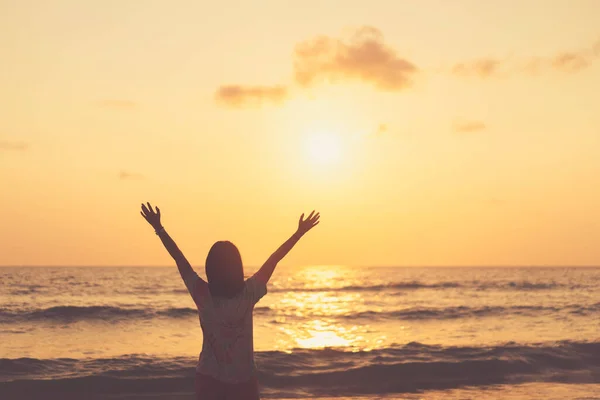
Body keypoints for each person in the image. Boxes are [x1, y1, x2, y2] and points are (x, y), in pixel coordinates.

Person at [140, 202, 320, 400]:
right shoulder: (248, 293)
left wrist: (159, 228)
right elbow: (274, 259)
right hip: (244, 380)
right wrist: (298, 234)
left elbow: (179, 258)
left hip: (209, 379)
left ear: (210, 268)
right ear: (238, 267)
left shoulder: (202, 293)